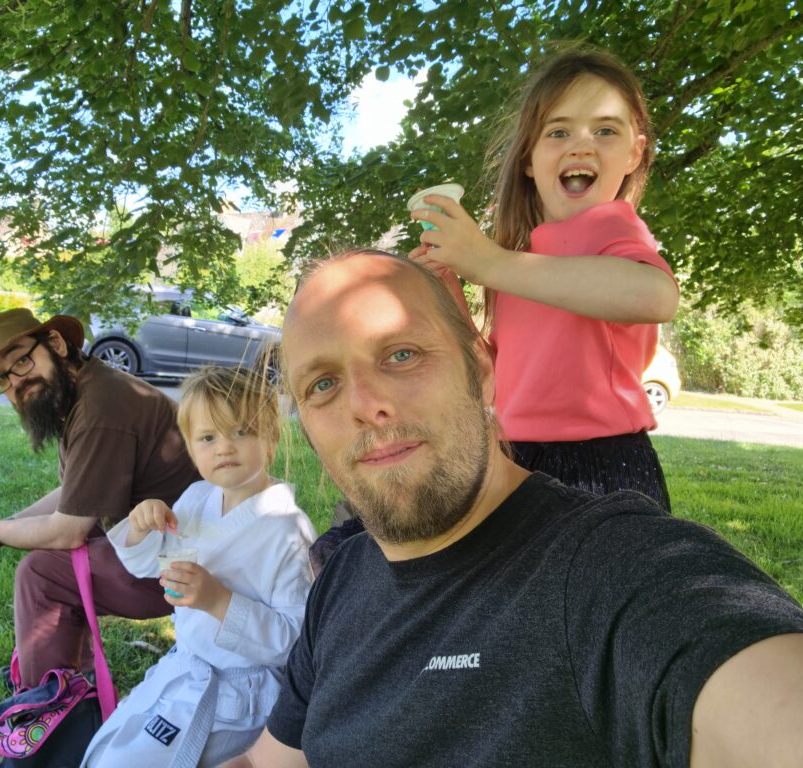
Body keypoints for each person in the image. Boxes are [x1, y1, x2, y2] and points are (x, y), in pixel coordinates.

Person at [222, 249, 803, 768]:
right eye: (322, 384)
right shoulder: (341, 581)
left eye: (401, 354)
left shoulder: (610, 570)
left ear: (480, 372)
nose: (365, 405)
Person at [409, 47, 680, 511]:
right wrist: (451, 290)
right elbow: (489, 376)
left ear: (635, 153)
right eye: (558, 131)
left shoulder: (615, 227)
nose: (581, 144)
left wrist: (490, 262)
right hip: (513, 458)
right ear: (530, 160)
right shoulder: (523, 261)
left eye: (605, 130)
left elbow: (655, 296)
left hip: (602, 462)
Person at [0, 308, 200, 688]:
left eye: (22, 361)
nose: (16, 383)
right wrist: (1, 528)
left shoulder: (99, 408)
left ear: (56, 344)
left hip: (185, 568)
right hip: (166, 545)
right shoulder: (87, 389)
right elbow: (79, 492)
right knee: (58, 557)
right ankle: (65, 674)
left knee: (42, 573)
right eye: (2, 380)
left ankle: (47, 710)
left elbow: (69, 530)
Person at [81, 365, 315, 767]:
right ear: (191, 448)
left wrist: (218, 601)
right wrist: (142, 528)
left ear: (273, 437)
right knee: (107, 748)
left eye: (240, 431)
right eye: (208, 437)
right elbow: (150, 567)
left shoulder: (287, 530)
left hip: (239, 691)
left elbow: (294, 643)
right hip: (185, 666)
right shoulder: (195, 498)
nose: (224, 447)